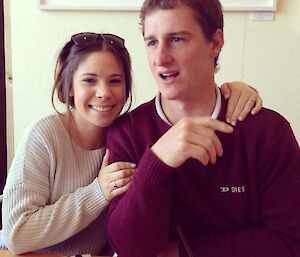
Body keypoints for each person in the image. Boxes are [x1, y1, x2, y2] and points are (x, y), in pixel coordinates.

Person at [0, 31, 261, 255]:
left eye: (115, 80)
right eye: (89, 80)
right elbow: (16, 233)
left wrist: (232, 91)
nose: (104, 92)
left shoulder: (128, 136)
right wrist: (97, 192)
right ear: (68, 86)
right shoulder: (44, 136)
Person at [105, 0, 300, 257]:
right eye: (152, 42)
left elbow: (289, 242)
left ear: (215, 43)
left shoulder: (268, 132)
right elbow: (130, 249)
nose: (160, 58)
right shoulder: (127, 132)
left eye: (176, 39)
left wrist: (182, 252)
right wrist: (157, 160)